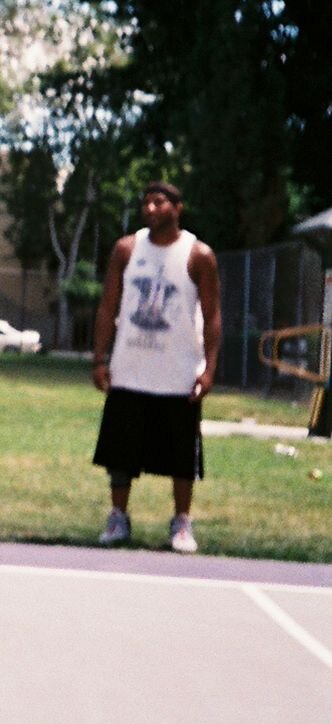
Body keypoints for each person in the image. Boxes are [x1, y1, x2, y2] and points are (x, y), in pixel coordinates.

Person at [90, 180, 221, 554]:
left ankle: (181, 521)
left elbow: (212, 317)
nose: (150, 209)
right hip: (130, 368)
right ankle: (118, 516)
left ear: (178, 208)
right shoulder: (127, 249)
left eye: (159, 202)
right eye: (146, 202)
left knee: (181, 457)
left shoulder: (198, 255)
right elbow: (107, 307)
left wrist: (209, 370)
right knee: (120, 453)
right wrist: (100, 358)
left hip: (177, 373)